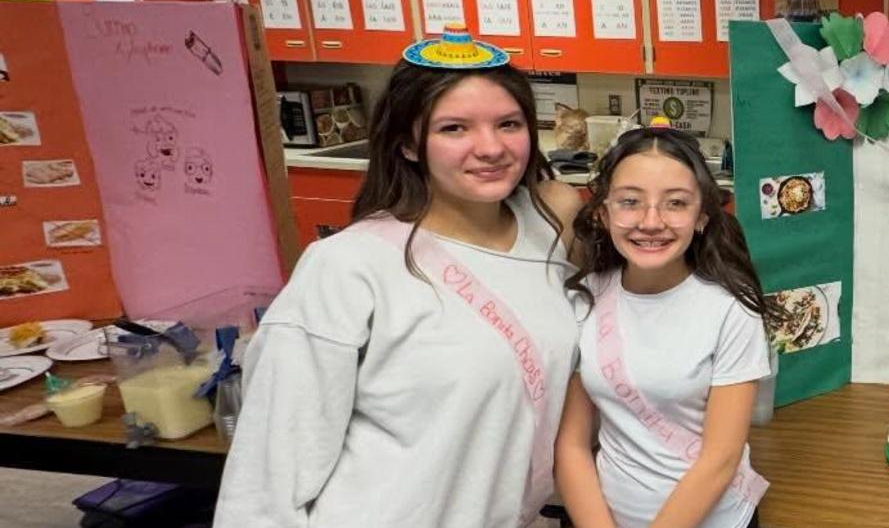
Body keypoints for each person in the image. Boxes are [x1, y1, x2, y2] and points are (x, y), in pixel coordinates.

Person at [215, 26, 585, 527]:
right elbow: (267, 474)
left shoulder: (548, 230)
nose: (491, 147)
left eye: (509, 124)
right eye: (454, 128)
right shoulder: (348, 266)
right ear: (409, 144)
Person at [554, 122, 785, 528]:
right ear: (605, 214)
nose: (651, 221)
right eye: (630, 201)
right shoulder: (586, 298)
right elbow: (572, 446)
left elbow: (721, 458)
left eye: (676, 203)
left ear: (701, 218)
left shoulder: (730, 310)